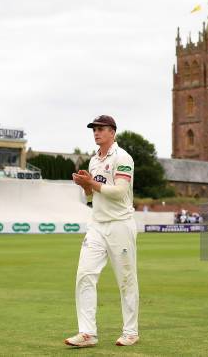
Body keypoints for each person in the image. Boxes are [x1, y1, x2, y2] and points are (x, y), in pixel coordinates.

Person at [64, 115, 139, 348]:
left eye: (101, 129)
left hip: (120, 224)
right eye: (94, 129)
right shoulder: (94, 161)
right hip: (96, 225)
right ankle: (87, 333)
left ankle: (131, 331)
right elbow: (91, 197)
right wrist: (85, 186)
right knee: (84, 275)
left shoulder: (123, 157)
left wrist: (93, 184)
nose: (96, 133)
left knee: (126, 279)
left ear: (112, 132)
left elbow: (118, 191)